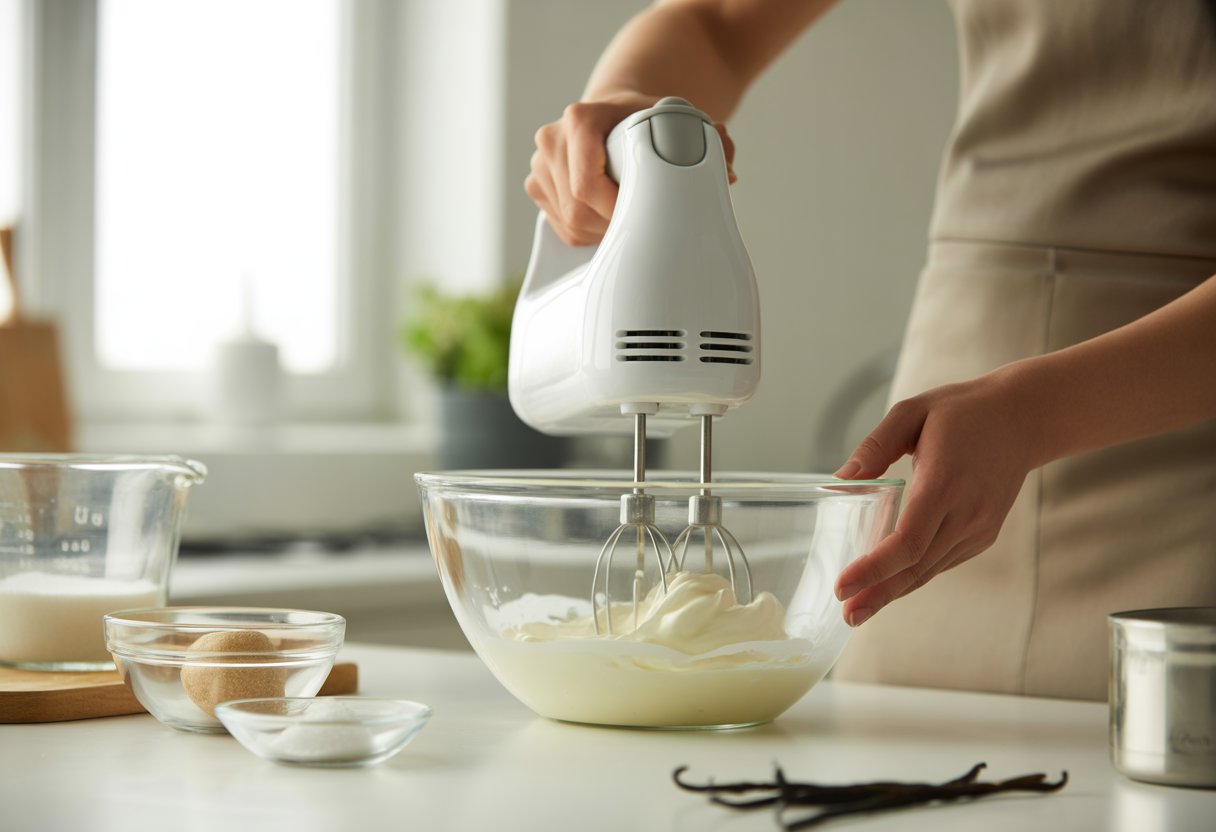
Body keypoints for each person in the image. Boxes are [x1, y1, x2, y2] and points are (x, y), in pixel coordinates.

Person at [525, 0, 1216, 701]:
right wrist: (623, 109)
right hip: (962, 373)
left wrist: (1035, 414)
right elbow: (716, 25)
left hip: (1171, 395)